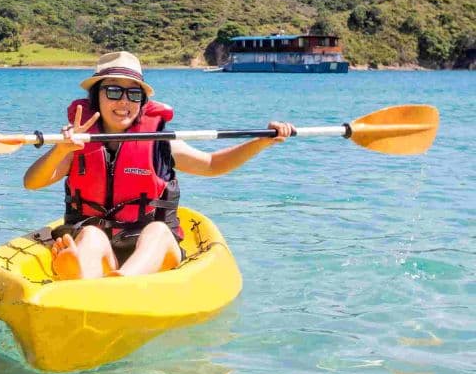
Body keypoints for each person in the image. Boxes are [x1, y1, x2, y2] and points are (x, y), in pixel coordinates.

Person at [24, 51, 295, 280]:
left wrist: (260, 142)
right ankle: (83, 277)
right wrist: (59, 150)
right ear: (97, 97)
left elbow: (212, 164)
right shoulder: (77, 144)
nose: (124, 102)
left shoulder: (161, 142)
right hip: (102, 242)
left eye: (133, 94)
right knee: (92, 235)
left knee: (158, 231)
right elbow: (32, 182)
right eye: (114, 91)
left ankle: (121, 284)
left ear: (142, 102)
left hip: (150, 246)